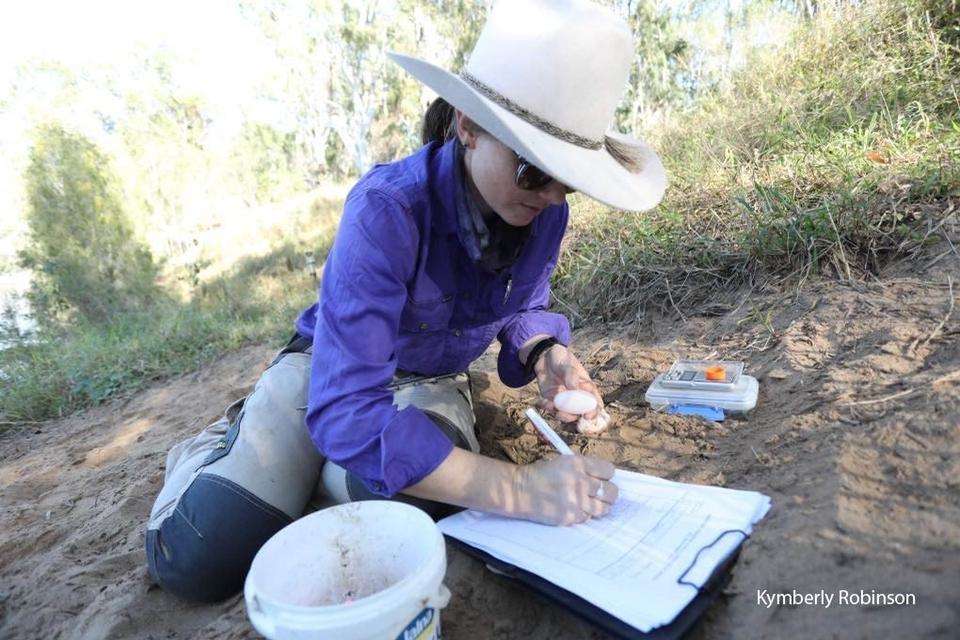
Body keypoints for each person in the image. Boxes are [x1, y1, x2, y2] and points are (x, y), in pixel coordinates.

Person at [143, 0, 666, 603]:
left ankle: (309, 472)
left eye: (565, 179)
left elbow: (521, 304)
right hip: (330, 372)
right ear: (467, 127)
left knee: (413, 512)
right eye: (530, 171)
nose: (549, 195)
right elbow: (346, 404)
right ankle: (227, 445)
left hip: (430, 380)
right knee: (202, 558)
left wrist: (546, 350)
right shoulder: (386, 209)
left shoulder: (545, 215)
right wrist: (520, 490)